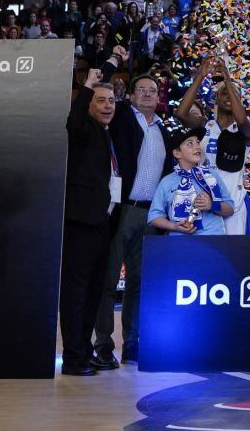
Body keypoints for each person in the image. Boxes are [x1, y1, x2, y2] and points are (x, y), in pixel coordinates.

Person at [93, 48, 172, 367]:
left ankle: (132, 344)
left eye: (152, 91)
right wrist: (114, 60)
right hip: (123, 209)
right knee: (109, 280)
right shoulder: (124, 116)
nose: (147, 94)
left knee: (139, 282)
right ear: (132, 93)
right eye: (141, 89)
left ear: (158, 96)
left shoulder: (163, 130)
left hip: (151, 213)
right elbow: (103, 84)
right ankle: (102, 343)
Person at [59, 70, 117, 376]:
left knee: (94, 291)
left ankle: (82, 354)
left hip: (100, 222)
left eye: (111, 100)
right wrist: (86, 88)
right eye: (100, 100)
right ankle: (73, 358)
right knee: (76, 292)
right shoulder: (82, 130)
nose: (108, 105)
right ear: (88, 104)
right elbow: (72, 121)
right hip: (79, 221)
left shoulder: (105, 134)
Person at [176, 56, 250, 235]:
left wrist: (227, 80)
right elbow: (181, 113)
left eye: (235, 94)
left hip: (233, 204)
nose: (230, 95)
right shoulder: (205, 125)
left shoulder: (245, 128)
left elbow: (241, 118)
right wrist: (200, 77)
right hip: (205, 201)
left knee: (234, 256)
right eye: (225, 93)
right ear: (216, 99)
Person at [148, 125, 233, 236]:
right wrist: (174, 226)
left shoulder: (211, 176)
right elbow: (154, 216)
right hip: (180, 241)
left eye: (198, 142)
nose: (197, 147)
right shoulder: (167, 181)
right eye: (190, 144)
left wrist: (213, 205)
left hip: (213, 238)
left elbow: (230, 208)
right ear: (177, 153)